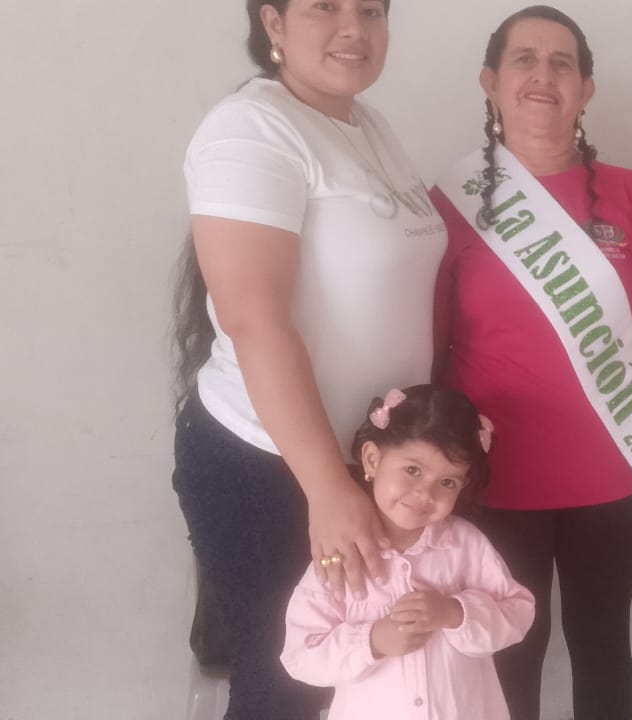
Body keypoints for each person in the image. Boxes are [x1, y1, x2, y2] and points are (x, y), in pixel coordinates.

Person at [428, 6, 632, 719]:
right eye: (525, 59)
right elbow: (431, 357)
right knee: (510, 649)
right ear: (490, 81)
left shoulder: (631, 196)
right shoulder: (448, 203)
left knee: (601, 642)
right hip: (492, 480)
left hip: (613, 473)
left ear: (585, 89)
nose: (544, 75)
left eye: (562, 63)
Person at [171, 1, 447, 717]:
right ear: (273, 23)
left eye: (370, 10)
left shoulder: (368, 126)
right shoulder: (250, 128)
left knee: (359, 677)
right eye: (324, 6)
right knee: (288, 685)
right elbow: (253, 320)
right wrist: (327, 489)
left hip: (364, 462)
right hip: (271, 464)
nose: (353, 27)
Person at [281, 385, 535, 720]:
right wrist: (372, 641)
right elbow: (300, 656)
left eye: (447, 482)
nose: (425, 493)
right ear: (373, 459)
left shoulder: (465, 546)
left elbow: (518, 613)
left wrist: (456, 613)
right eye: (413, 470)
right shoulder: (341, 554)